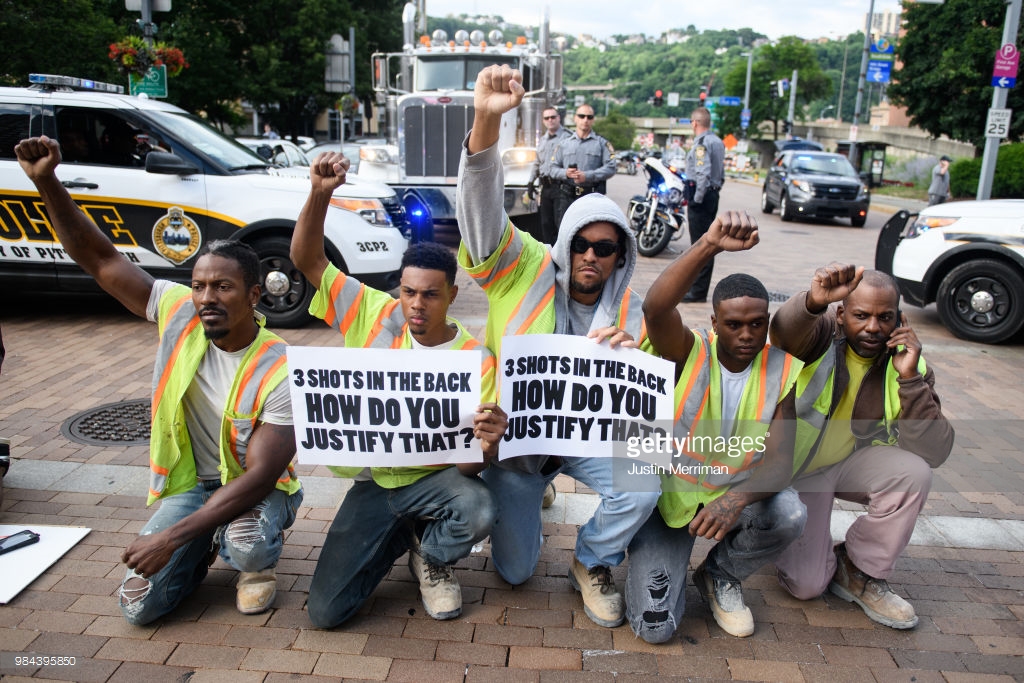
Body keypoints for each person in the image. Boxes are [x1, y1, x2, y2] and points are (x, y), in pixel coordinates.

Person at [14, 135, 304, 625]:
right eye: (198, 285)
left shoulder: (281, 367)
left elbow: (258, 477)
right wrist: (47, 182)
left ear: (254, 295)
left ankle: (251, 563)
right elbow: (101, 260)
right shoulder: (177, 313)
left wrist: (170, 537)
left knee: (248, 544)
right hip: (191, 485)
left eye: (222, 287)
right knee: (137, 608)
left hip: (253, 487)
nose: (206, 297)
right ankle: (202, 547)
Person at [457, 64, 661, 629]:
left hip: (588, 439)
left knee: (643, 480)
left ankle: (592, 559)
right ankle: (530, 500)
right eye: (583, 245)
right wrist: (485, 123)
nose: (592, 257)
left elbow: (644, 426)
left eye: (607, 248)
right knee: (516, 572)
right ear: (566, 243)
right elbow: (479, 218)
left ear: (621, 256)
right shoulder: (522, 265)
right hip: (519, 444)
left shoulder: (632, 312)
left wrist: (636, 362)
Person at [291, 151, 506, 628]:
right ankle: (398, 535)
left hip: (436, 483)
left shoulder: (476, 360)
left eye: (430, 294)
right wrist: (320, 193)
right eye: (408, 292)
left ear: (451, 295)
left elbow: (468, 464)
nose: (416, 305)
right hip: (376, 481)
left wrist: (488, 444)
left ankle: (430, 554)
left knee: (478, 508)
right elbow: (307, 260)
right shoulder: (371, 313)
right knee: (327, 614)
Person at [624, 211, 806, 642]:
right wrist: (708, 244)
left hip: (733, 495)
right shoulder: (690, 352)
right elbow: (655, 307)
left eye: (757, 324)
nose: (747, 334)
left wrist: (736, 500)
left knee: (790, 512)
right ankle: (649, 558)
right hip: (668, 503)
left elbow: (782, 463)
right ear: (714, 323)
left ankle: (720, 574)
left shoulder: (780, 371)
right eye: (734, 324)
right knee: (656, 629)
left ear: (767, 321)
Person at [770, 264, 954, 629]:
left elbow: (935, 451)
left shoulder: (908, 362)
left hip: (851, 464)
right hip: (802, 471)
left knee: (914, 474)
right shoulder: (821, 336)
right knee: (807, 586)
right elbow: (783, 334)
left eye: (884, 317)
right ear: (841, 314)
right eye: (861, 315)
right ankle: (793, 545)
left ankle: (859, 570)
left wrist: (911, 379)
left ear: (899, 319)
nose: (873, 327)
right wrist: (810, 303)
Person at [548, 102, 617, 230]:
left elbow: (612, 167)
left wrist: (588, 176)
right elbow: (552, 168)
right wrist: (565, 173)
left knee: (590, 231)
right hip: (567, 197)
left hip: (592, 196)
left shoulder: (602, 143)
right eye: (581, 116)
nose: (585, 120)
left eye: (589, 117)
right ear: (575, 118)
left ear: (593, 120)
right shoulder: (564, 144)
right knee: (565, 231)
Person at [681, 107, 725, 303]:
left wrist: (697, 198)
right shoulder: (717, 141)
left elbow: (703, 172)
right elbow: (720, 174)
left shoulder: (702, 144)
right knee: (706, 242)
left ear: (695, 123)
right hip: (712, 194)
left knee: (701, 246)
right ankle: (697, 289)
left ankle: (697, 292)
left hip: (701, 197)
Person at [528, 106, 573, 246]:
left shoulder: (569, 137)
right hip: (545, 187)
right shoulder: (542, 140)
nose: (550, 120)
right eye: (546, 118)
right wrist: (530, 182)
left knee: (561, 225)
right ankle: (549, 258)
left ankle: (562, 258)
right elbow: (537, 162)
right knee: (545, 224)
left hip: (562, 187)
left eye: (553, 117)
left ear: (559, 118)